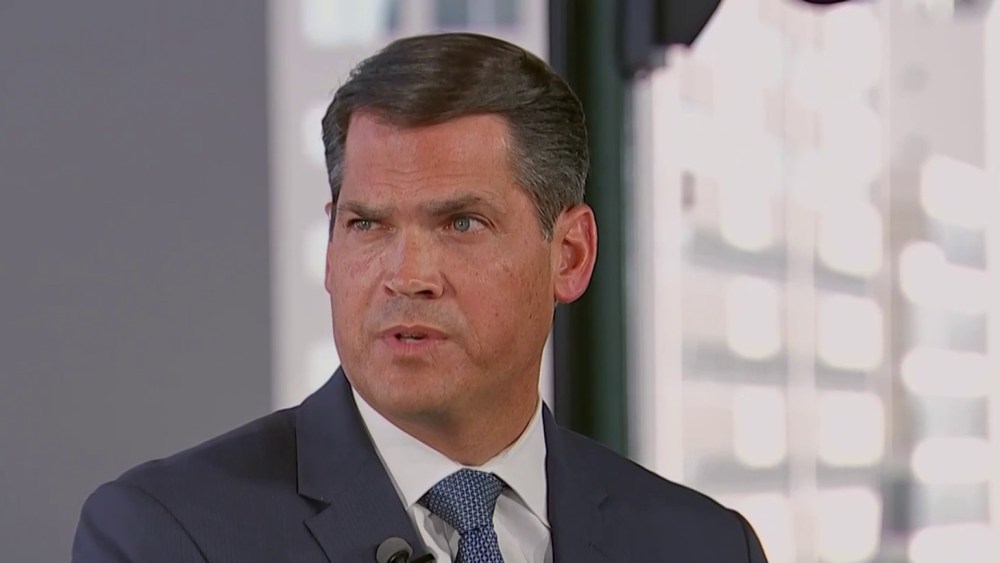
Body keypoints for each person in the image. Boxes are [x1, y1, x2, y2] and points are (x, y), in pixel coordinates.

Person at [72, 32, 768, 563]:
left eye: (461, 223)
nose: (407, 276)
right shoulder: (167, 535)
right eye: (368, 225)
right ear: (330, 248)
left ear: (570, 255)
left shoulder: (704, 545)